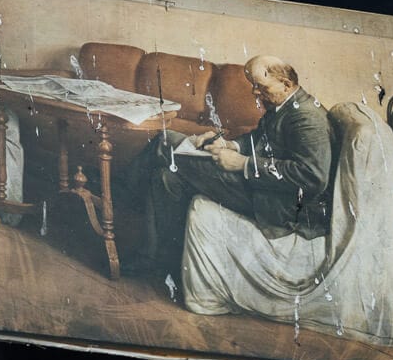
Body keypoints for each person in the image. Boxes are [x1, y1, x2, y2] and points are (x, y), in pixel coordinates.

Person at [126, 55, 335, 275]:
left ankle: (122, 195)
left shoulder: (308, 118)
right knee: (165, 177)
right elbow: (259, 138)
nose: (255, 92)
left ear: (286, 84)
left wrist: (244, 163)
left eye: (260, 87)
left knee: (164, 142)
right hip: (264, 189)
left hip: (278, 205)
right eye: (253, 86)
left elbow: (313, 177)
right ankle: (161, 261)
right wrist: (229, 144)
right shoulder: (284, 105)